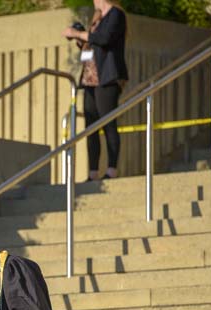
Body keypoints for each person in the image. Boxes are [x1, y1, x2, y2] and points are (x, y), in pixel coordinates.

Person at [62, 0, 128, 181]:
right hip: (89, 79)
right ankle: (93, 173)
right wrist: (79, 38)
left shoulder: (116, 14)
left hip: (107, 78)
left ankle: (112, 170)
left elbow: (104, 39)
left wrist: (79, 33)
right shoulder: (97, 17)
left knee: (108, 124)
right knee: (90, 128)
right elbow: (92, 46)